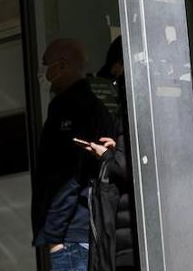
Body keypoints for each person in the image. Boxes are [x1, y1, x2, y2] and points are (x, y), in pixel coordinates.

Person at [33, 38, 117, 271]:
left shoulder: (71, 108)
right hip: (80, 231)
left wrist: (56, 236)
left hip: (71, 234)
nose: (43, 71)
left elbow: (69, 173)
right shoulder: (95, 108)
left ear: (62, 65)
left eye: (45, 63)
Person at [76, 37, 138, 271]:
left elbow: (127, 165)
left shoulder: (131, 101)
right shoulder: (131, 100)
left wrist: (107, 155)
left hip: (125, 218)